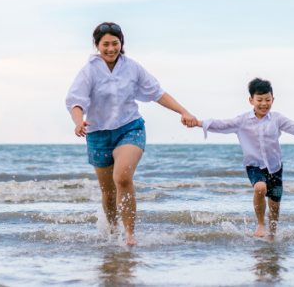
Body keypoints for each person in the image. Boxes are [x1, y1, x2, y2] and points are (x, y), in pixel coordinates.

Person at [65, 22, 198, 246]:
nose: (110, 49)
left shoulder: (132, 68)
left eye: (115, 43)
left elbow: (158, 93)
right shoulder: (89, 71)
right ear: (96, 45)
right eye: (105, 44)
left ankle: (130, 236)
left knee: (122, 178)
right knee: (108, 194)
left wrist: (183, 111)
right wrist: (78, 122)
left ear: (121, 44)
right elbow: (75, 102)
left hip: (130, 128)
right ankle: (113, 233)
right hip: (98, 134)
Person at [188, 78, 294, 238]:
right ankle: (261, 224)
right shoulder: (242, 120)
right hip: (254, 165)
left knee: (274, 205)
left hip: (275, 167)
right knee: (260, 188)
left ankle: (272, 234)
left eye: (267, 100)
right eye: (259, 100)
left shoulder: (277, 119)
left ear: (273, 100)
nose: (264, 104)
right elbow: (221, 125)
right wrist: (197, 122)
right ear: (251, 100)